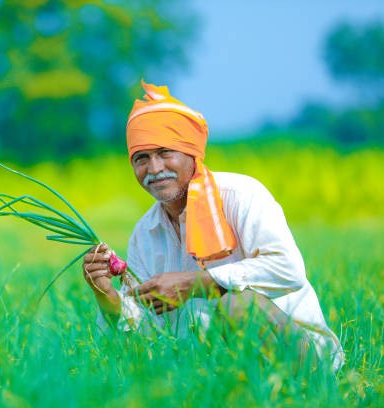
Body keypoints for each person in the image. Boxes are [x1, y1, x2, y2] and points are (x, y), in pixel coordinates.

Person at [82, 81, 343, 370]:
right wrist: (106, 295)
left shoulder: (241, 196)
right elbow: (143, 324)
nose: (154, 169)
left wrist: (195, 284)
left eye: (166, 152)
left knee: (237, 306)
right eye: (141, 158)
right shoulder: (145, 233)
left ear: (191, 154)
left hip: (300, 356)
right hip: (212, 367)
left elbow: (288, 269)